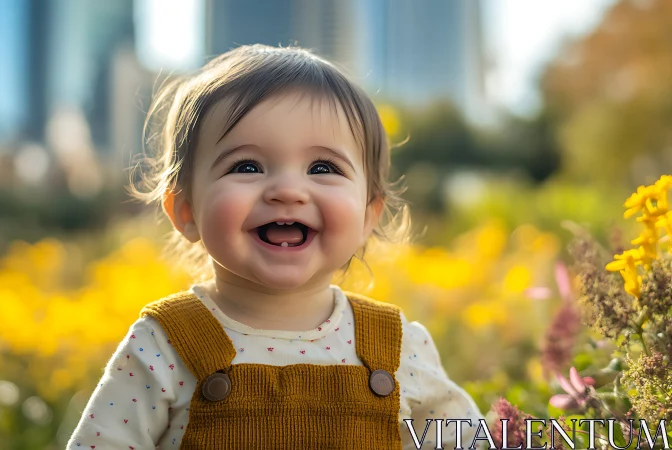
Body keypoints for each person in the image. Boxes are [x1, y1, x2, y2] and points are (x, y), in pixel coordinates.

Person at [66, 44, 484, 449]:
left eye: (323, 167)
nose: (288, 190)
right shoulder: (164, 346)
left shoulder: (397, 348)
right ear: (185, 210)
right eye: (247, 166)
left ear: (368, 216)